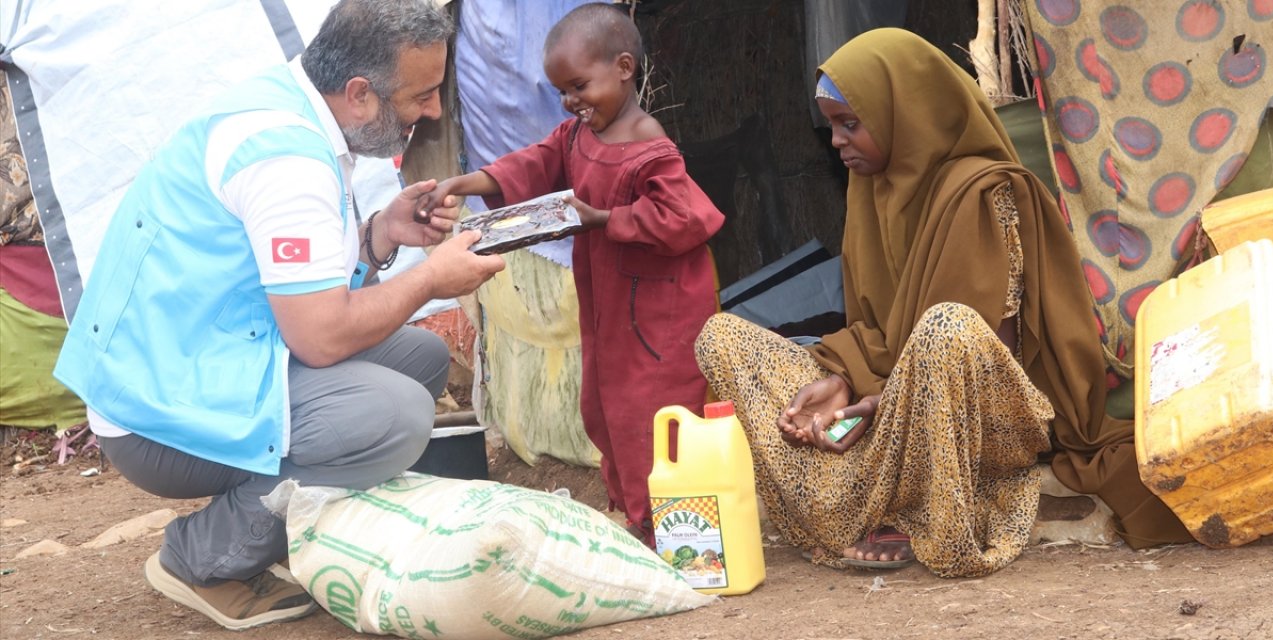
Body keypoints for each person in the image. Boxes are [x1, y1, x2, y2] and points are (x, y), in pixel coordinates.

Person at [52, 0, 505, 630]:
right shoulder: (286, 160)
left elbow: (287, 282)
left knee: (420, 360)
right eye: (421, 95)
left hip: (207, 359)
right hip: (155, 413)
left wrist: (379, 235)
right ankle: (202, 556)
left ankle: (292, 525)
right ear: (359, 95)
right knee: (391, 416)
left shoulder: (288, 104)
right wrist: (432, 277)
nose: (431, 111)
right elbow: (320, 336)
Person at [693, 28, 1191, 579]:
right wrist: (842, 380)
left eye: (850, 123)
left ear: (904, 112)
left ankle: (926, 510)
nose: (836, 142)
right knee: (722, 337)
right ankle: (852, 507)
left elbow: (984, 354)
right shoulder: (871, 190)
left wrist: (883, 401)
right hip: (892, 392)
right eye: (832, 125)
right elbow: (876, 332)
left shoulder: (984, 192)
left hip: (985, 414)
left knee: (946, 328)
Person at [421, 3, 723, 546]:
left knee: (655, 412)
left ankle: (676, 533)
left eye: (580, 86)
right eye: (561, 91)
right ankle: (640, 519)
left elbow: (685, 218)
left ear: (624, 68)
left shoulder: (647, 143)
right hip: (611, 304)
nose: (571, 102)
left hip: (660, 314)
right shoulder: (578, 136)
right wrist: (463, 184)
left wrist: (605, 219)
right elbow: (535, 162)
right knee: (606, 405)